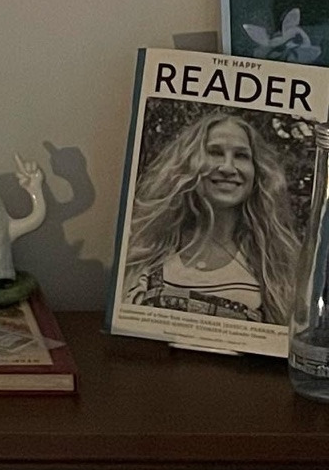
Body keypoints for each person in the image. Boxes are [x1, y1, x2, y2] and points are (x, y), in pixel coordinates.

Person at [123, 110, 299, 325]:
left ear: (257, 171)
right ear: (188, 163)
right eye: (215, 152)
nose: (227, 167)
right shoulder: (145, 250)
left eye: (241, 155)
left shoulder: (277, 264)